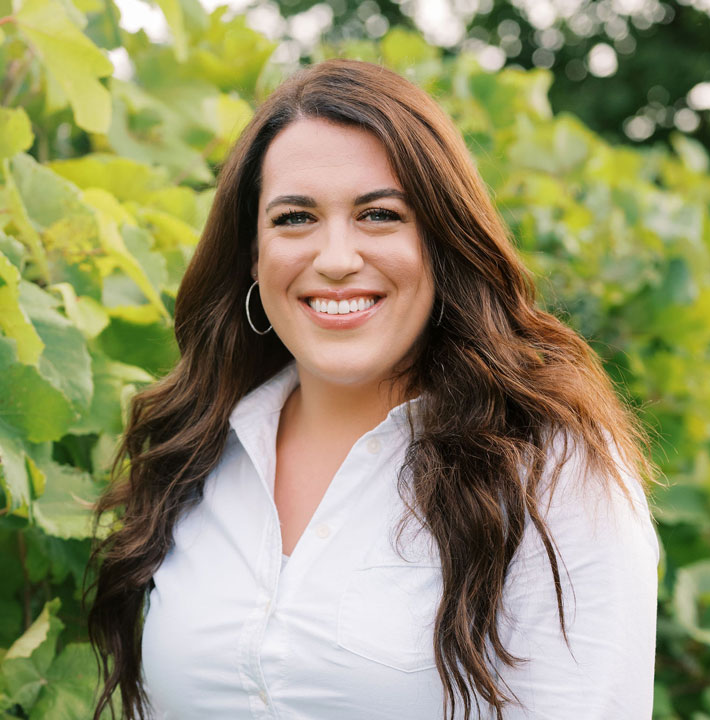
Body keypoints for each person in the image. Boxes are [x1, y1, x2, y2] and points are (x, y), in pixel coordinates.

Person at [87, 58, 659, 720]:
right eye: (295, 218)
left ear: (441, 240)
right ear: (252, 254)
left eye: (380, 215)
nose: (334, 259)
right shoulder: (194, 452)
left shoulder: (550, 472)